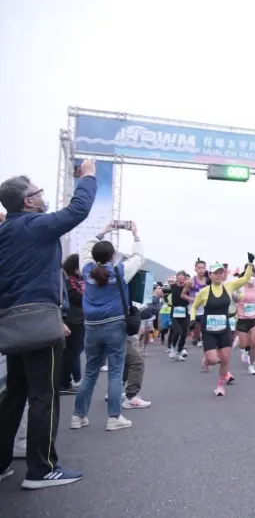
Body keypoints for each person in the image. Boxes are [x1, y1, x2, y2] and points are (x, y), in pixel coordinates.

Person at [0, 161, 97, 489]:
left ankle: (1, 462)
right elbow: (79, 209)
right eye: (38, 192)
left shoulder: (7, 232)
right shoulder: (33, 225)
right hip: (40, 323)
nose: (42, 196)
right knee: (45, 395)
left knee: (15, 393)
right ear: (28, 201)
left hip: (14, 324)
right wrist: (87, 177)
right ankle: (41, 469)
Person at [70, 220, 144, 432]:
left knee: (91, 371)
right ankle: (114, 417)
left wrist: (104, 231)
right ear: (112, 256)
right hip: (114, 324)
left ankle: (78, 416)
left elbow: (85, 248)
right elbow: (139, 258)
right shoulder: (120, 270)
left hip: (91, 325)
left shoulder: (86, 269)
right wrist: (135, 235)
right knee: (115, 371)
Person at [189, 258, 255, 396]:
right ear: (210, 275)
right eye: (216, 273)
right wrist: (192, 320)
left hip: (224, 329)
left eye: (221, 273)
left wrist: (249, 263)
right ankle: (207, 359)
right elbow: (194, 306)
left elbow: (246, 278)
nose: (219, 275)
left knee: (225, 359)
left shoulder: (229, 286)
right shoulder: (204, 292)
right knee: (213, 360)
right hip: (209, 330)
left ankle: (220, 386)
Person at [60, 254, 85, 394]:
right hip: (72, 320)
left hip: (76, 319)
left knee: (73, 352)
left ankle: (67, 381)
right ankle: (63, 383)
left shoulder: (74, 280)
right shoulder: (69, 281)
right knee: (71, 352)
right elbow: (76, 297)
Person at [233, 267, 255, 376]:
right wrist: (234, 295)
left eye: (253, 275)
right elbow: (235, 300)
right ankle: (240, 343)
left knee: (254, 343)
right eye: (249, 275)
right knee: (243, 345)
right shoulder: (240, 288)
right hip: (242, 319)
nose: (251, 278)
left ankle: (252, 365)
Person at [181, 260, 208, 347]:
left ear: (205, 269)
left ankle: (199, 339)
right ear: (195, 269)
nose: (201, 270)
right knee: (194, 327)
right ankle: (194, 338)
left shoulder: (208, 281)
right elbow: (182, 294)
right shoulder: (191, 281)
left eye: (203, 268)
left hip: (204, 308)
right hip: (193, 309)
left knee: (203, 327)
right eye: (199, 268)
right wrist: (191, 299)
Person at [166, 271, 190, 361]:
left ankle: (179, 351)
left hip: (184, 311)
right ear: (177, 278)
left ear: (185, 278)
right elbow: (163, 292)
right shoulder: (172, 287)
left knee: (184, 333)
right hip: (175, 311)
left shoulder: (187, 287)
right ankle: (172, 348)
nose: (180, 278)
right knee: (177, 331)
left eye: (182, 277)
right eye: (178, 276)